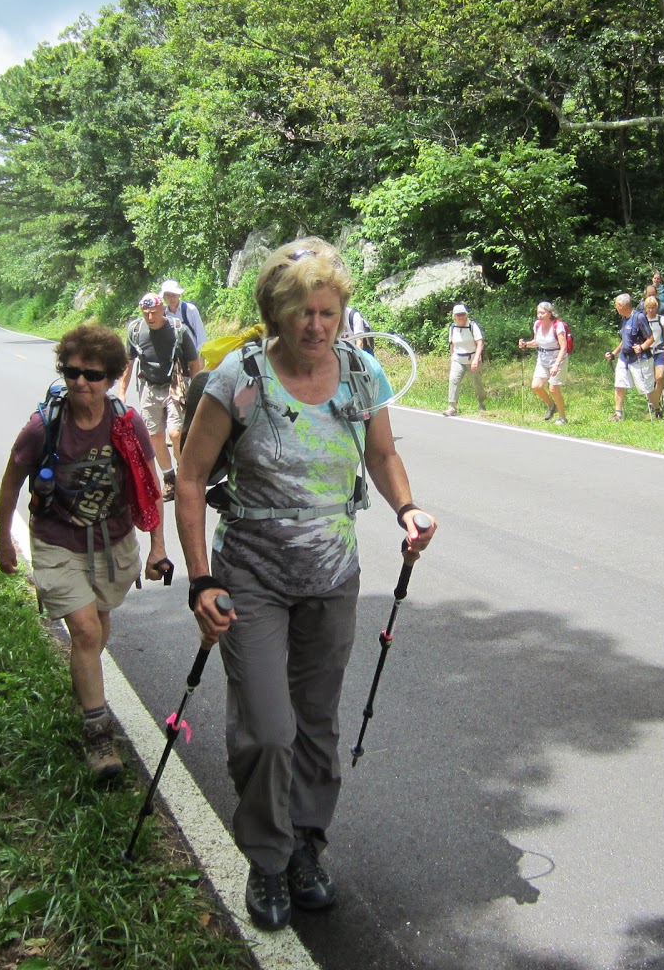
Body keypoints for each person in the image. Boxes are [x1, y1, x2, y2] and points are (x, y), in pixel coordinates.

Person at [176, 238, 437, 931]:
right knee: (268, 729)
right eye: (302, 313)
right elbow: (193, 479)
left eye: (327, 312)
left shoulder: (361, 374)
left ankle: (306, 848)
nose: (316, 326)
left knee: (316, 724)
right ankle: (266, 859)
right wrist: (201, 578)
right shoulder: (238, 378)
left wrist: (407, 508)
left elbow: (381, 455)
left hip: (332, 577)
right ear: (274, 314)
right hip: (251, 576)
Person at [0, 324, 170, 781]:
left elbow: (149, 486)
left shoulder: (125, 425)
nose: (80, 383)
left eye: (92, 375)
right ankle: (98, 736)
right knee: (87, 631)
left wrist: (158, 546)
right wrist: (2, 538)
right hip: (57, 542)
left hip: (111, 542)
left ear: (112, 377)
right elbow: (12, 482)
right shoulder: (43, 427)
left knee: (97, 627)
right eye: (72, 372)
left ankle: (84, 682)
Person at [120, 292, 202, 500]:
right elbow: (128, 363)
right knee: (154, 435)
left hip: (175, 385)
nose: (149, 317)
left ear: (162, 310)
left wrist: (198, 394)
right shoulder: (136, 331)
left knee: (175, 434)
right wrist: (121, 393)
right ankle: (170, 479)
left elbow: (194, 363)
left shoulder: (178, 330)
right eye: (145, 313)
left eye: (153, 312)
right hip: (149, 386)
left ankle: (185, 475)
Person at [517, 301, 569, 424]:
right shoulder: (537, 325)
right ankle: (552, 406)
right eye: (538, 313)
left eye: (542, 313)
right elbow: (536, 342)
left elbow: (564, 347)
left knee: (553, 389)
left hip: (558, 359)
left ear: (550, 313)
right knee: (536, 386)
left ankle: (563, 418)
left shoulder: (558, 325)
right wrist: (525, 344)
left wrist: (556, 365)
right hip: (542, 359)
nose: (540, 315)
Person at [603, 293, 653, 420]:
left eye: (616, 305)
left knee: (645, 386)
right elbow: (625, 340)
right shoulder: (624, 319)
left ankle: (655, 408)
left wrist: (641, 347)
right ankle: (618, 413)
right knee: (619, 383)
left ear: (622, 305)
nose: (615, 308)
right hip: (624, 358)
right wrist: (614, 353)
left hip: (639, 358)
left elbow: (650, 339)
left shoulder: (639, 317)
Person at [444, 302, 486, 417]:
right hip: (458, 359)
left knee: (477, 383)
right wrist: (452, 357)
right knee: (453, 380)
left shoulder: (472, 326)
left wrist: (476, 360)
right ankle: (452, 407)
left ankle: (482, 403)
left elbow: (480, 343)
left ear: (466, 315)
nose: (461, 317)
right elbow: (452, 345)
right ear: (454, 316)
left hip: (472, 358)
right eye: (458, 315)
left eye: (462, 314)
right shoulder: (452, 328)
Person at [639, 294, 664, 418]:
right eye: (648, 307)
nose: (651, 310)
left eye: (653, 307)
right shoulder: (642, 320)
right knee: (650, 380)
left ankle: (655, 401)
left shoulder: (661, 319)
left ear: (656, 307)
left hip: (659, 351)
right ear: (645, 308)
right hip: (647, 352)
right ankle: (655, 405)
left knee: (660, 377)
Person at [160, 278, 207, 351]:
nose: (171, 298)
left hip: (194, 354)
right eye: (168, 295)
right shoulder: (162, 314)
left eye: (173, 295)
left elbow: (201, 335)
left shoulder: (190, 309)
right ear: (164, 297)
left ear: (179, 295)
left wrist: (200, 356)